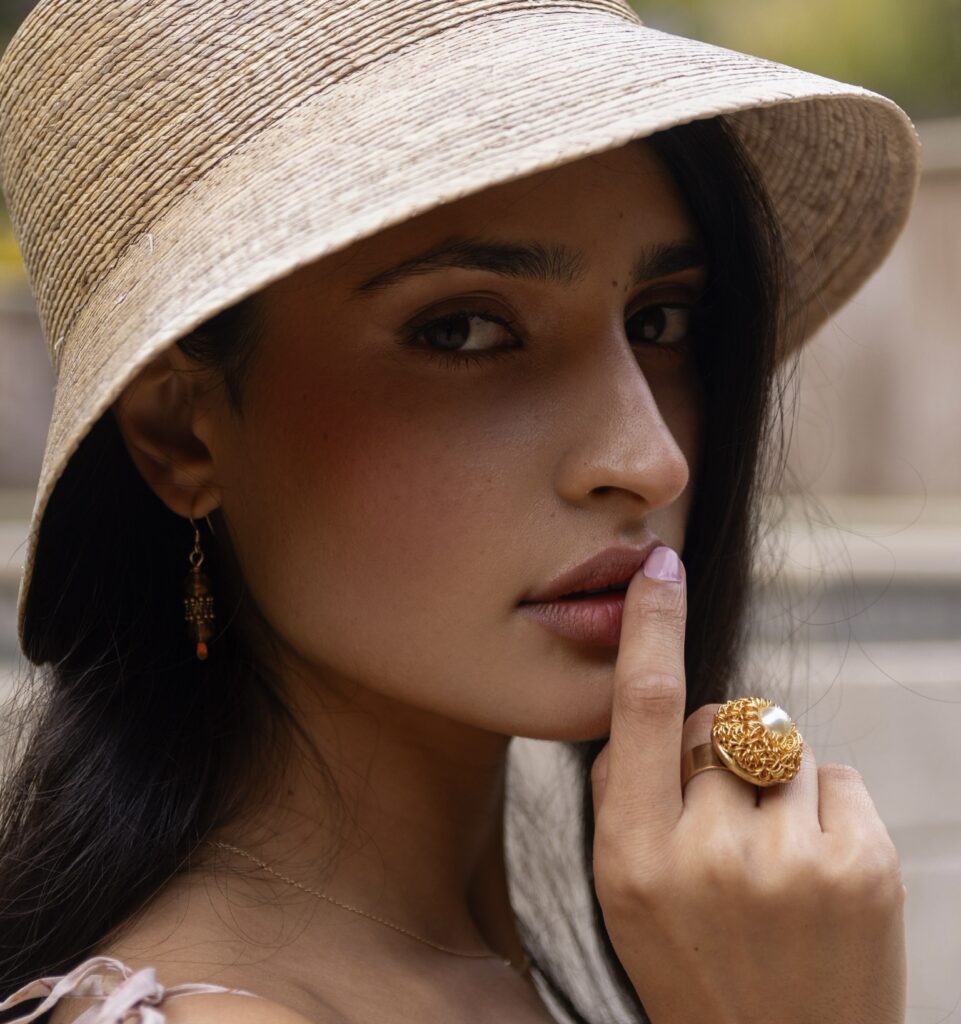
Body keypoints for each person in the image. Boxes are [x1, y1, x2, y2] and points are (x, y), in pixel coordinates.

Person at [0, 1, 921, 1022]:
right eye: (465, 330)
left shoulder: (528, 971)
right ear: (183, 435)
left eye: (659, 322)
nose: (648, 459)